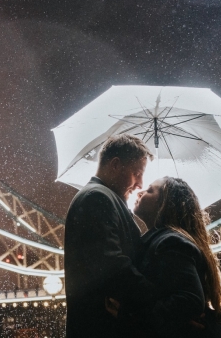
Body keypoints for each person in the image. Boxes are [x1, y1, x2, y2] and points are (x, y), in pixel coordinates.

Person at [64, 134, 156, 338]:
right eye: (137, 173)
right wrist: (165, 300)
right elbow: (113, 267)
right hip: (104, 328)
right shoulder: (97, 198)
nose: (140, 184)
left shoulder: (102, 197)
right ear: (115, 165)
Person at [131, 177, 221, 338]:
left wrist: (133, 316)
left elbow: (190, 300)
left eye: (149, 190)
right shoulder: (167, 239)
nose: (140, 192)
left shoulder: (170, 242)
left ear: (165, 204)